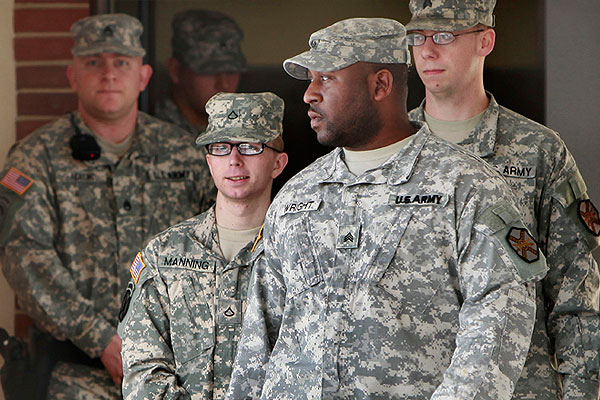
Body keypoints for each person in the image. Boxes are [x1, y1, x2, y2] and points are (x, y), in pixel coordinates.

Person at [226, 17, 548, 400]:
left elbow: (499, 320)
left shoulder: (467, 187)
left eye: (327, 78)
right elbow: (259, 337)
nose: (310, 94)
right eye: (310, 80)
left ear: (380, 84)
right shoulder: (295, 197)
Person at [0, 13, 215, 399]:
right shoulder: (34, 158)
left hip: (177, 372)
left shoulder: (186, 155)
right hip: (74, 378)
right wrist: (100, 339)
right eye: (94, 62)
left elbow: (218, 245)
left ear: (144, 76)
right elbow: (25, 256)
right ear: (73, 76)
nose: (109, 74)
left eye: (122, 62)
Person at [405, 1, 600, 398]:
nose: (427, 51)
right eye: (417, 37)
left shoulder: (539, 150)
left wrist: (582, 391)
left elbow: (575, 290)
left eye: (444, 36)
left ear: (485, 41)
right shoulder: (391, 148)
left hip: (517, 387)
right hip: (412, 384)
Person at [118, 92, 288, 399]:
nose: (234, 160)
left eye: (250, 146)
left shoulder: (300, 251)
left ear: (278, 163)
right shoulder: (164, 254)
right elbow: (142, 371)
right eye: (221, 147)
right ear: (209, 162)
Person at [155, 9, 247, 137]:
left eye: (231, 71)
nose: (224, 84)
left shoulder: (247, 128)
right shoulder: (152, 134)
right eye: (211, 71)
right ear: (175, 70)